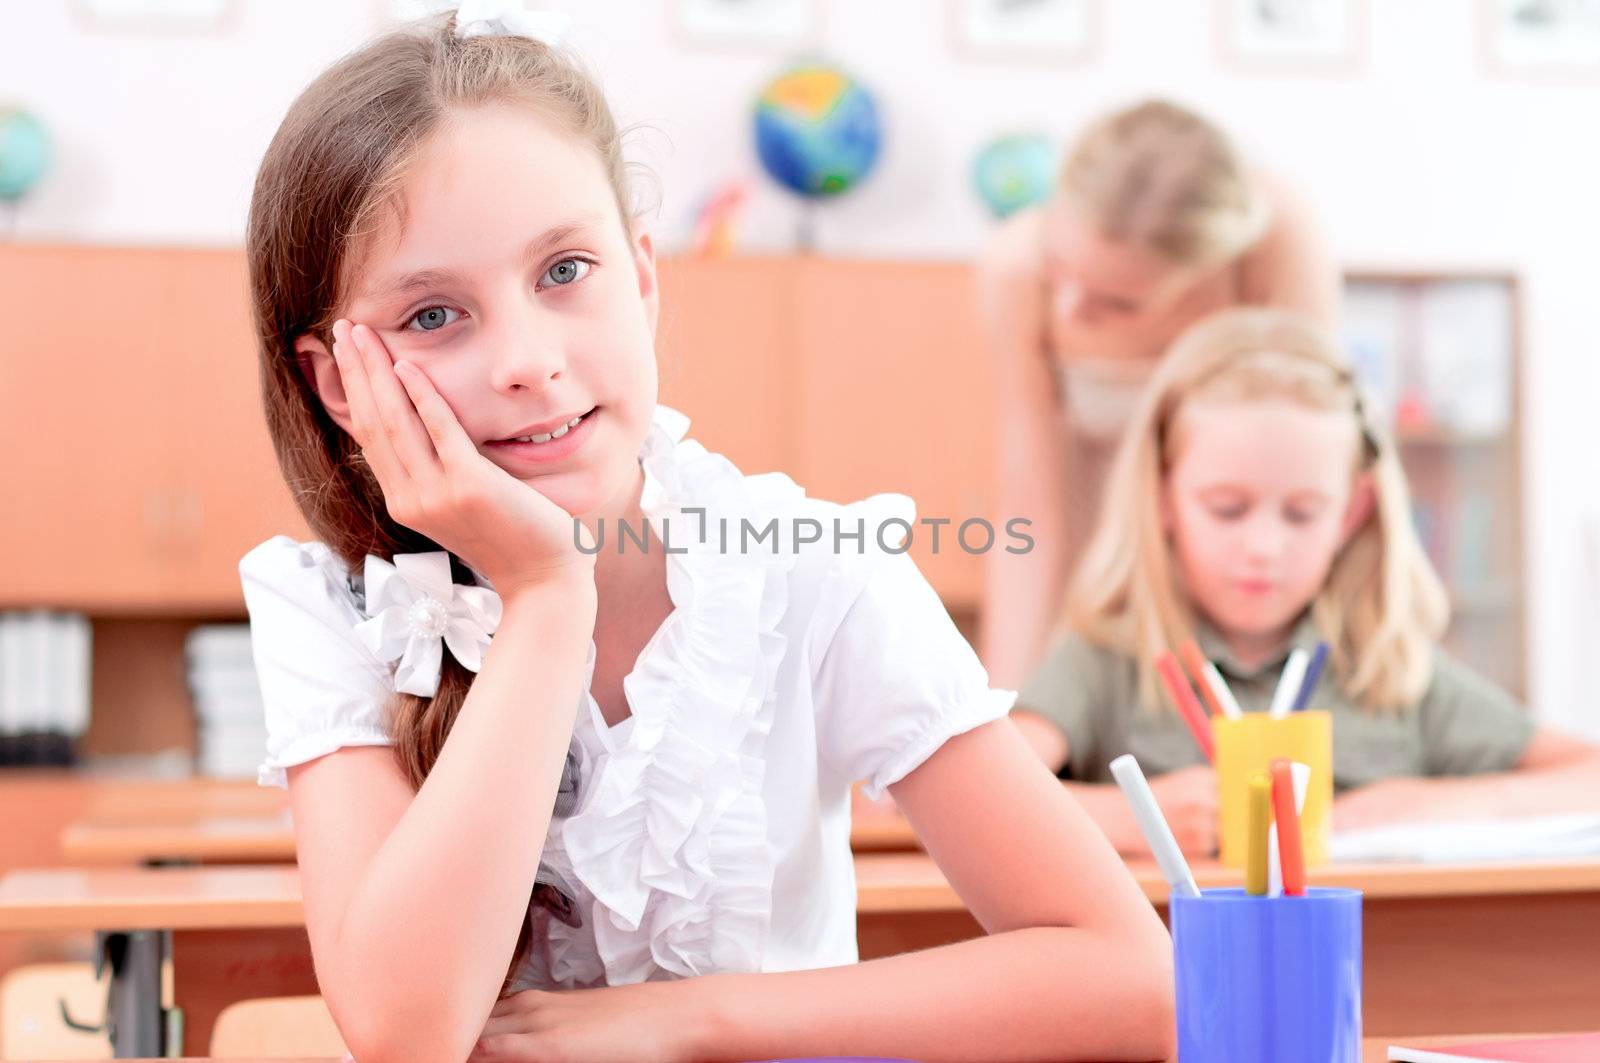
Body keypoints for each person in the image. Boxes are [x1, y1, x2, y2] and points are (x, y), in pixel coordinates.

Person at [237, 8, 1173, 1063]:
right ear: (336, 382)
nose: (530, 360)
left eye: (563, 271)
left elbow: (1130, 978)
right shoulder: (330, 605)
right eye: (433, 316)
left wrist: (691, 1019)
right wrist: (547, 600)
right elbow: (408, 1036)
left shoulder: (811, 569)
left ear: (641, 279)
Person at [1011, 307, 1600, 858]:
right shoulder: (1108, 658)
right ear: (1163, 497)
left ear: (1351, 512)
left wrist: (1429, 805)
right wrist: (1129, 817)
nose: (1264, 549)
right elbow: (980, 797)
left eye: (1301, 514)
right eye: (1226, 509)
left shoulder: (1387, 671)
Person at [977, 98, 1341, 690]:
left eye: (1119, 302)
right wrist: (1002, 704)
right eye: (1059, 266)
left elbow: (1315, 462)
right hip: (1095, 566)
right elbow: (1028, 512)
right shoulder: (1012, 268)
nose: (1071, 308)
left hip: (1242, 557)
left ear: (1203, 272)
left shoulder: (1274, 240)